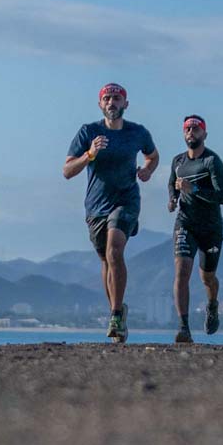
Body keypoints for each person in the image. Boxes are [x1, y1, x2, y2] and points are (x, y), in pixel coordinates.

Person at [63, 82, 159, 342]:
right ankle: (117, 312)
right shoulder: (88, 132)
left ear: (125, 104)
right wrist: (89, 154)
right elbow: (67, 171)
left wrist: (147, 170)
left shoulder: (137, 132)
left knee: (114, 249)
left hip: (126, 200)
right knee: (105, 260)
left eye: (116, 98)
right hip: (96, 206)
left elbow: (153, 155)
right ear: (100, 104)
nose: (111, 102)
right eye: (107, 98)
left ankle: (116, 314)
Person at [168, 115, 223, 343]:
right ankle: (184, 327)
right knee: (182, 271)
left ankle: (212, 305)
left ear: (204, 134)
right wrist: (172, 200)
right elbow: (172, 186)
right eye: (187, 129)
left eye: (195, 129)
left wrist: (193, 188)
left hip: (210, 227)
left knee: (207, 278)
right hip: (185, 223)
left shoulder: (212, 161)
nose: (191, 132)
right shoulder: (178, 162)